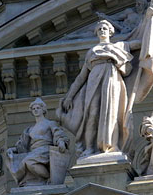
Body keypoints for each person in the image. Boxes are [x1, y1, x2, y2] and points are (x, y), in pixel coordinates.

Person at [56, 20, 142, 158]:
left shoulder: (119, 46)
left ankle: (111, 145)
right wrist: (70, 96)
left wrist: (151, 26)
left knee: (112, 113)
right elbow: (81, 77)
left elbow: (139, 43)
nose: (102, 30)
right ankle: (89, 148)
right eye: (99, 29)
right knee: (92, 114)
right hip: (94, 82)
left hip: (112, 80)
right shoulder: (92, 51)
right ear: (96, 33)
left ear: (110, 32)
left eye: (105, 28)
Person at [6, 98, 69, 186]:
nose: (35, 110)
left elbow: (58, 134)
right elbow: (22, 145)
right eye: (33, 109)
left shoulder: (50, 123)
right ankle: (44, 178)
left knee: (28, 160)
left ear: (43, 110)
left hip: (45, 150)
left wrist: (61, 142)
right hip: (34, 152)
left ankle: (48, 178)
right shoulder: (29, 129)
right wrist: (12, 149)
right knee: (22, 161)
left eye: (38, 108)